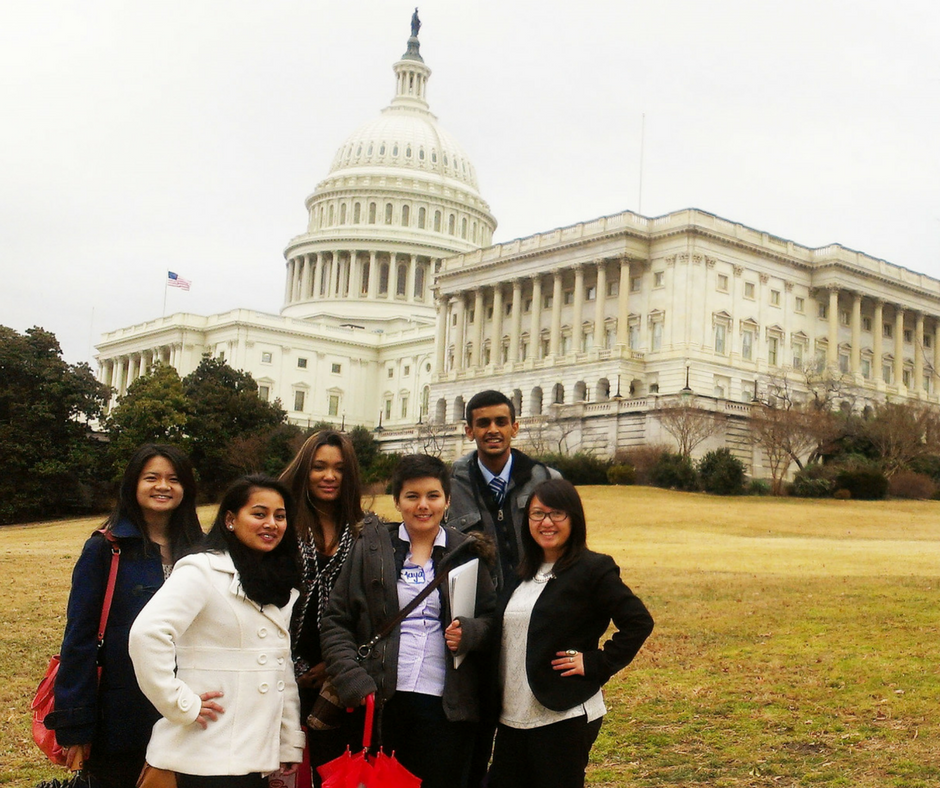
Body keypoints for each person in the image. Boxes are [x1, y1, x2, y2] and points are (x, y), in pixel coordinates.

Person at [320, 454, 496, 788]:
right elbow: (336, 620)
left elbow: (491, 620)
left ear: (447, 500)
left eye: (432, 495)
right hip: (382, 700)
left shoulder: (466, 552)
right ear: (397, 501)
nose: (423, 506)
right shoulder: (370, 549)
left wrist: (470, 633)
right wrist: (352, 678)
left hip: (445, 704)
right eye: (412, 496)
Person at [128, 476, 304, 788]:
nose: (272, 524)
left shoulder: (281, 585)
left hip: (255, 756)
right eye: (259, 513)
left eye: (280, 516)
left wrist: (289, 739)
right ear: (230, 520)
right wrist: (181, 704)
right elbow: (147, 634)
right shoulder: (202, 570)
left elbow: (281, 668)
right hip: (202, 754)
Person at [47, 444, 203, 788]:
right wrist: (76, 725)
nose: (163, 486)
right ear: (133, 484)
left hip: (193, 710)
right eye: (152, 477)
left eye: (173, 479)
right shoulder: (105, 549)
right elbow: (80, 638)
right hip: (121, 714)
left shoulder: (203, 552)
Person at [487, 478, 654, 788]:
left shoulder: (593, 569)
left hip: (563, 713)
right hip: (512, 715)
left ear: (573, 519)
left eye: (556, 513)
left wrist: (595, 663)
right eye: (537, 514)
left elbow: (638, 622)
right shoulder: (521, 573)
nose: (546, 522)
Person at [278, 430, 370, 784]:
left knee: (331, 771)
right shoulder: (283, 522)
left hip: (337, 671)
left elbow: (369, 609)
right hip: (278, 668)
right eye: (319, 467)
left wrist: (332, 666)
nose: (329, 476)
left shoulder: (363, 532)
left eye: (339, 468)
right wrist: (295, 664)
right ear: (305, 469)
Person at [448, 389, 560, 593]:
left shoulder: (548, 480)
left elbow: (571, 547)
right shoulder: (450, 488)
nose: (493, 430)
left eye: (501, 422)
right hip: (480, 609)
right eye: (483, 423)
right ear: (469, 431)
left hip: (539, 602)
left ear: (514, 428)